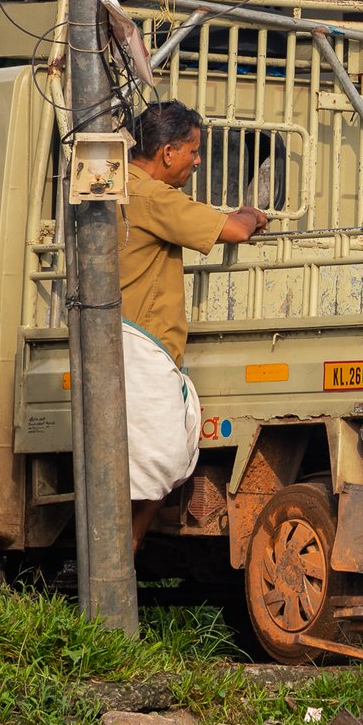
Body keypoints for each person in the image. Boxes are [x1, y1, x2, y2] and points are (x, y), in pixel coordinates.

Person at [119, 100, 269, 542]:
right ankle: (117, 566)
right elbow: (235, 230)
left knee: (139, 471)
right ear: (167, 152)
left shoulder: (117, 185)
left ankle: (117, 564)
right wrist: (252, 213)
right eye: (193, 150)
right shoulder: (152, 197)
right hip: (139, 351)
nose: (198, 161)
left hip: (123, 347)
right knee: (157, 465)